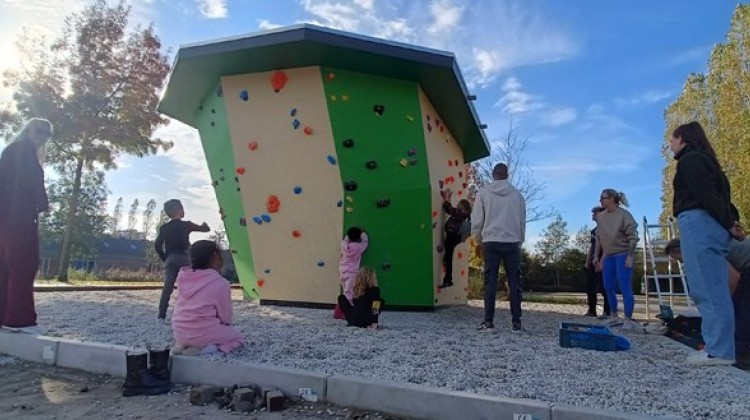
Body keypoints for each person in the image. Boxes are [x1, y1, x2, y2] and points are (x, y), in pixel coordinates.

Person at [669, 121, 743, 366]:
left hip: (699, 223)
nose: (670, 144)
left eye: (672, 139)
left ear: (683, 139)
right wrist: (731, 222)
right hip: (710, 225)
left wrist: (728, 222)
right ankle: (719, 347)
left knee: (707, 289)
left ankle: (719, 351)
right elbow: (723, 199)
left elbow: (706, 195)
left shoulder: (691, 161)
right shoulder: (709, 163)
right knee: (715, 286)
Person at [664, 222, 750, 367]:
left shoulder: (700, 249)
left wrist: (725, 302)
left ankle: (742, 354)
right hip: (745, 266)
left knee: (740, 310)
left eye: (679, 259)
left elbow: (733, 278)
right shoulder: (702, 242)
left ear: (681, 250)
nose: (682, 262)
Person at [0, 118, 52, 334]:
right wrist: (41, 202)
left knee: (7, 266)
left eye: (47, 134)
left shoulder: (14, 151)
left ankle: (6, 315)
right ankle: (19, 319)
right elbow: (26, 183)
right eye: (39, 131)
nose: (43, 137)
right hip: (17, 215)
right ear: (28, 130)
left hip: (10, 215)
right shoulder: (21, 152)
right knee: (24, 263)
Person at [470, 163, 526, 332]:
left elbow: (477, 220)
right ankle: (516, 322)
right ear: (507, 175)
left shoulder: (484, 193)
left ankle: (488, 321)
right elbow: (521, 221)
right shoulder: (517, 196)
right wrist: (519, 239)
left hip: (491, 241)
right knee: (514, 282)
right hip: (512, 241)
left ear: (493, 175)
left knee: (490, 282)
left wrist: (478, 240)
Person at [171, 240, 244, 356]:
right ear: (215, 256)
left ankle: (184, 346)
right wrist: (225, 326)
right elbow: (226, 317)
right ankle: (208, 349)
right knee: (238, 337)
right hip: (203, 333)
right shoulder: (220, 283)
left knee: (200, 332)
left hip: (179, 332)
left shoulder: (182, 276)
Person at [154, 199, 210, 322]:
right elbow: (205, 229)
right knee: (192, 286)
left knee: (167, 288)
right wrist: (205, 225)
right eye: (182, 208)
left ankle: (161, 315)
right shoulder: (186, 225)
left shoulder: (164, 228)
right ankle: (192, 313)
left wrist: (165, 258)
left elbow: (157, 246)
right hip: (185, 259)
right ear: (179, 211)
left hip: (171, 259)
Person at [594, 189, 638, 330]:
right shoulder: (600, 217)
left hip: (623, 254)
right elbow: (599, 238)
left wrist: (630, 256)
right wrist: (597, 256)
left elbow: (633, 237)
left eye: (603, 198)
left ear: (612, 199)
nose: (600, 201)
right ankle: (614, 315)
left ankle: (628, 319)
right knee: (608, 286)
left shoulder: (624, 215)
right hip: (609, 255)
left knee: (625, 286)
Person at [439, 188, 471, 289]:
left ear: (462, 207)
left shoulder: (458, 213)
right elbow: (451, 209)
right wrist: (448, 198)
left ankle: (448, 279)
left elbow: (448, 208)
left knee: (449, 255)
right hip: (455, 236)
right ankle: (447, 276)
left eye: (459, 205)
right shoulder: (462, 214)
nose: (457, 206)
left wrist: (447, 198)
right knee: (448, 253)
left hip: (452, 236)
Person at [334, 227, 369, 319]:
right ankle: (341, 312)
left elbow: (345, 240)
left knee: (345, 289)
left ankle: (340, 311)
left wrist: (348, 234)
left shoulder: (344, 246)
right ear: (358, 238)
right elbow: (365, 243)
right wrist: (363, 233)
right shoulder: (358, 247)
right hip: (352, 272)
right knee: (349, 292)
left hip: (342, 270)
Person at [584, 206, 610, 317]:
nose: (593, 214)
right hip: (593, 261)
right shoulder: (594, 231)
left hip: (605, 261)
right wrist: (588, 261)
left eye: (596, 212)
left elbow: (608, 246)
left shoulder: (608, 229)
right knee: (590, 287)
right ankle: (592, 310)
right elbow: (593, 247)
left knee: (605, 287)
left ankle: (607, 311)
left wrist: (602, 261)